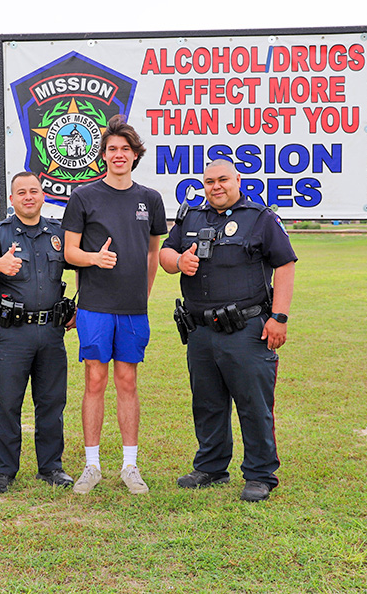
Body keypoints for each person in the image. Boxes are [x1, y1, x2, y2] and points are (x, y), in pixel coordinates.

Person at [159, 157, 297, 502]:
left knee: (253, 403)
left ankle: (260, 474)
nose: (216, 187)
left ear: (237, 180)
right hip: (200, 330)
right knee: (207, 403)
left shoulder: (261, 219)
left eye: (222, 180)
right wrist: (178, 262)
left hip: (247, 328)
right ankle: (210, 467)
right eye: (209, 182)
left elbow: (285, 265)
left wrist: (278, 317)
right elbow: (165, 254)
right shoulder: (190, 216)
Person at [61, 115, 167, 495]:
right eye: (112, 149)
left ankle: (130, 465)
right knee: (95, 380)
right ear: (103, 155)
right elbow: (70, 252)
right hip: (95, 307)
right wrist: (94, 259)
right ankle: (91, 466)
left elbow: (154, 252)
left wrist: (145, 292)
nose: (118, 155)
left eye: (125, 149)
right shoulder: (84, 196)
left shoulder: (150, 199)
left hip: (133, 309)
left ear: (135, 155)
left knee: (127, 381)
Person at [0, 172, 76, 494]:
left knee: (51, 402)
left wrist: (80, 309)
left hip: (51, 332)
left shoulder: (59, 233)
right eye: (21, 192)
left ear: (42, 196)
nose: (28, 197)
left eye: (34, 191)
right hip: (12, 335)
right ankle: (5, 471)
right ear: (12, 199)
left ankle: (51, 467)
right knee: (9, 402)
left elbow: (86, 266)